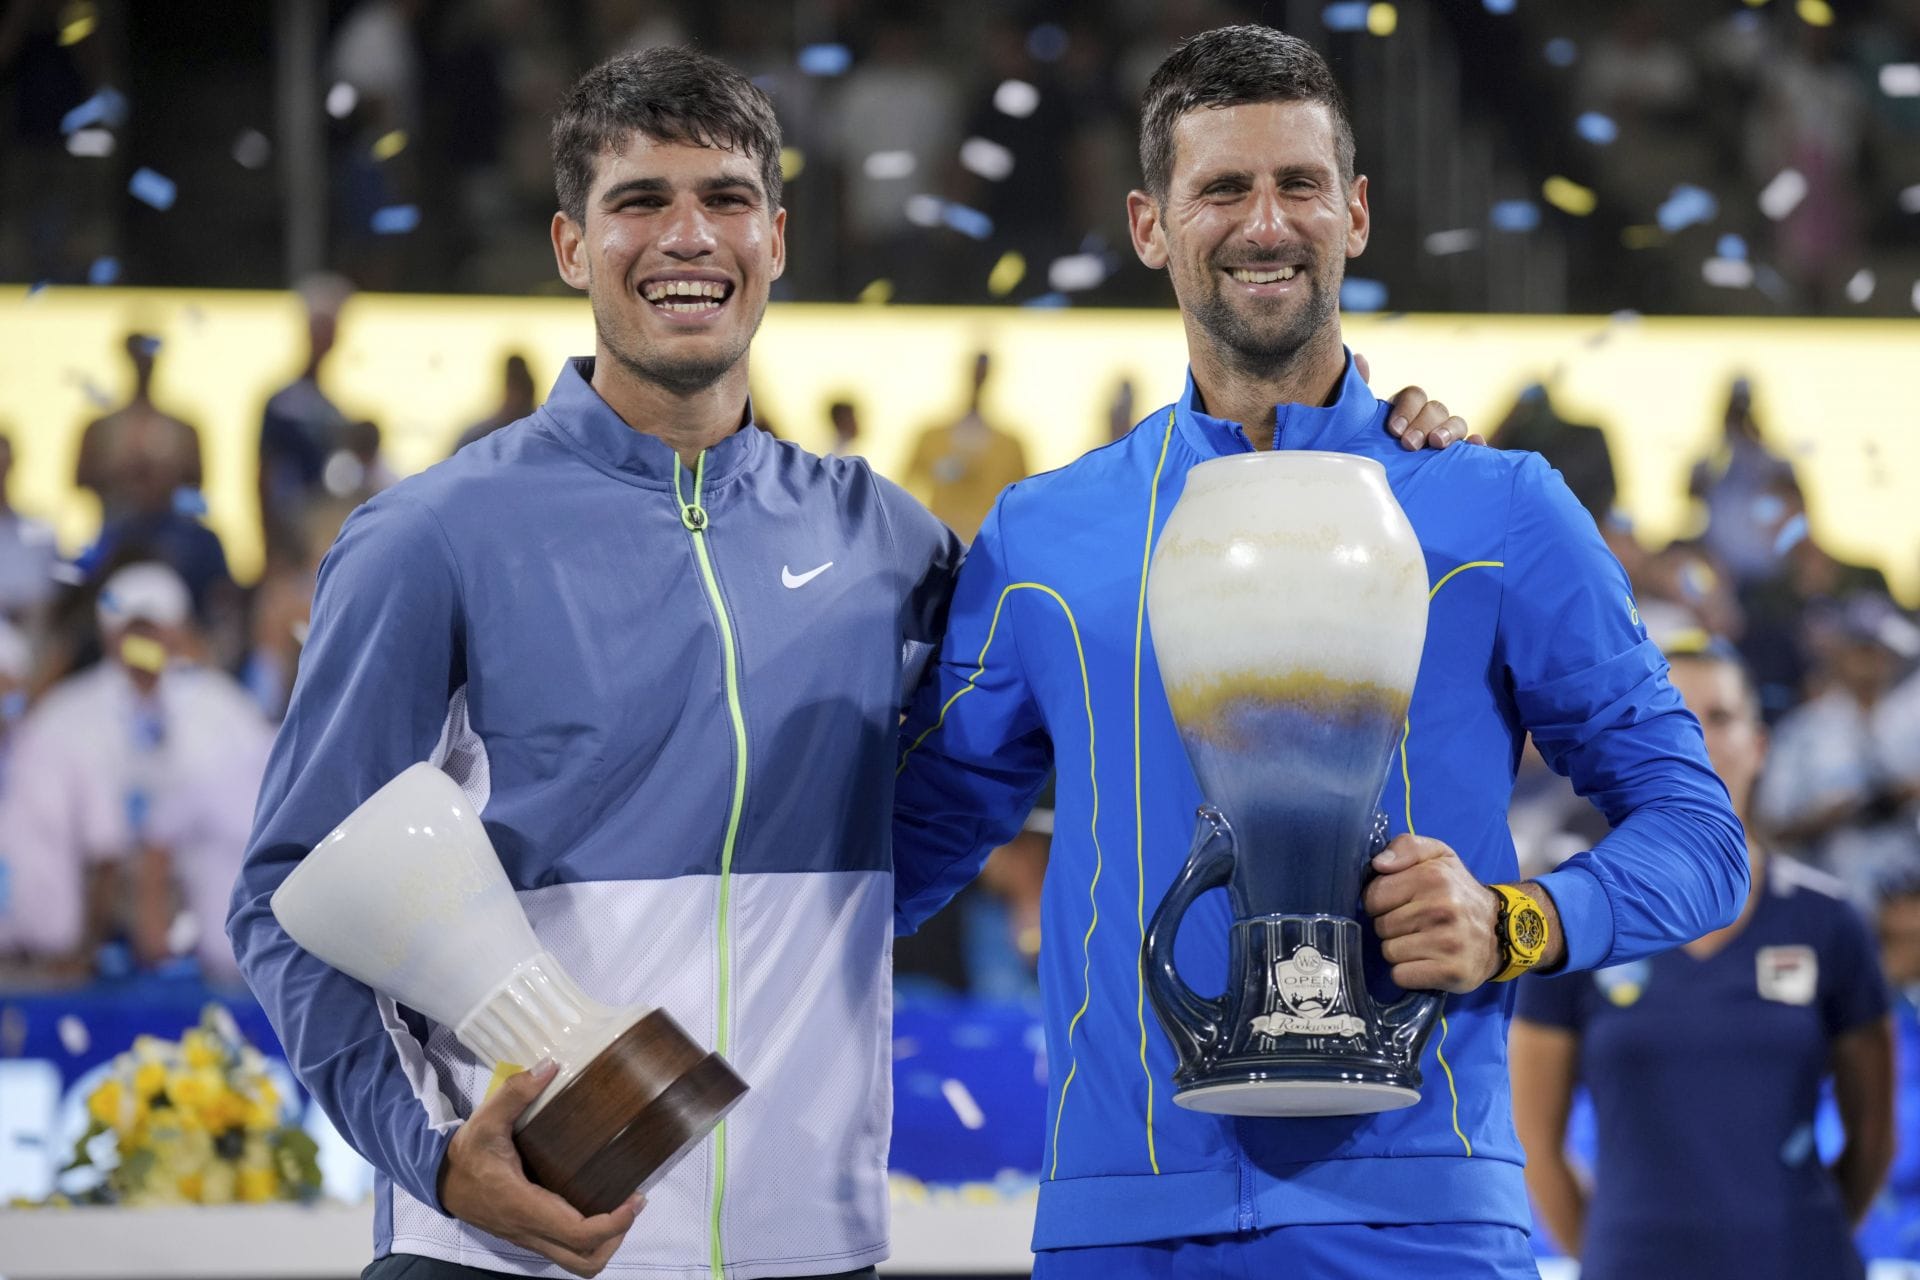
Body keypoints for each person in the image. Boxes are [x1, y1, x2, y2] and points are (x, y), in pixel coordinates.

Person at [228, 43, 1466, 1280]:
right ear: (569, 247)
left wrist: (1356, 439)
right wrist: (435, 1154)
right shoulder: (430, 537)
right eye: (639, 204)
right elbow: (289, 891)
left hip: (804, 1246)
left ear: (777, 237)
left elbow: (1089, 672)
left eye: (724, 200)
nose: (686, 238)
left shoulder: (886, 541)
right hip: (502, 1250)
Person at [889, 26, 1747, 1279]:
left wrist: (1519, 921)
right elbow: (899, 854)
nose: (1265, 221)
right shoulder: (1043, 538)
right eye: (1222, 188)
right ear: (1148, 224)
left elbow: (1702, 832)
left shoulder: (1494, 507)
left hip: (1423, 1218)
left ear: (1354, 213)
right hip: (1128, 1221)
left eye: (1298, 185)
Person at [1513, 638, 1894, 1279]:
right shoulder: (1567, 918)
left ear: (1760, 743)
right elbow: (1537, 1144)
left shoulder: (1828, 921)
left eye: (1719, 716)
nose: (1699, 738)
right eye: (1676, 716)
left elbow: (1874, 1136)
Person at [0, 562, 269, 979]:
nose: (143, 643)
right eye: (131, 630)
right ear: (109, 635)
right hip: (97, 906)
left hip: (198, 906)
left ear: (179, 631)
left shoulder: (226, 711)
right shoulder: (64, 714)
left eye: (155, 629)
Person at [902, 351, 1031, 543]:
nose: (979, 378)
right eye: (976, 371)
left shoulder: (1010, 446)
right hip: (941, 538)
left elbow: (1024, 501)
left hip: (986, 541)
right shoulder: (932, 438)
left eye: (983, 372)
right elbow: (908, 485)